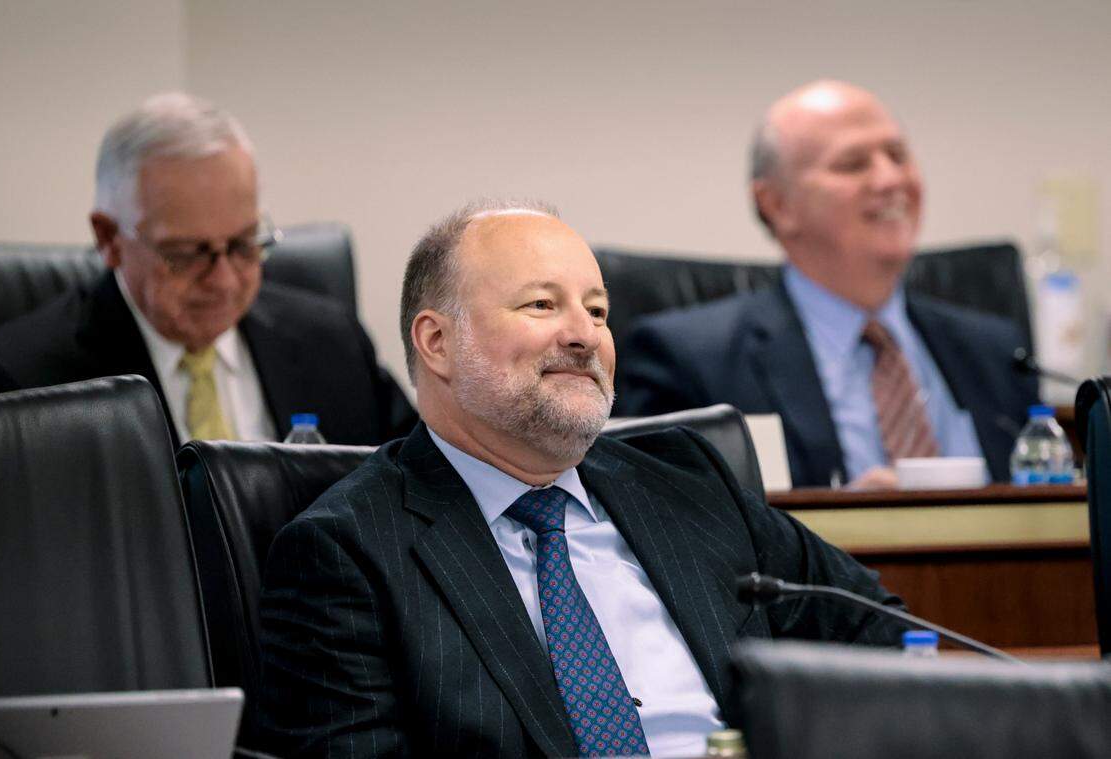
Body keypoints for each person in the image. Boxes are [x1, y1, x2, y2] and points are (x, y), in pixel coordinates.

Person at [258, 199, 907, 757]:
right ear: (436, 342)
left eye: (597, 312)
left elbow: (883, 634)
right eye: (542, 304)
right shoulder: (345, 552)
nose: (584, 336)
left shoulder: (688, 481)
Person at [614, 79, 1037, 489]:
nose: (890, 180)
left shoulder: (996, 352)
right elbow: (677, 530)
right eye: (853, 164)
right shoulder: (690, 362)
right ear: (777, 204)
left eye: (898, 155)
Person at [0, 92, 415, 446]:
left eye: (243, 245)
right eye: (185, 254)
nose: (223, 280)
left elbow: (420, 492)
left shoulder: (333, 344)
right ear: (109, 238)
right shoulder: (19, 389)